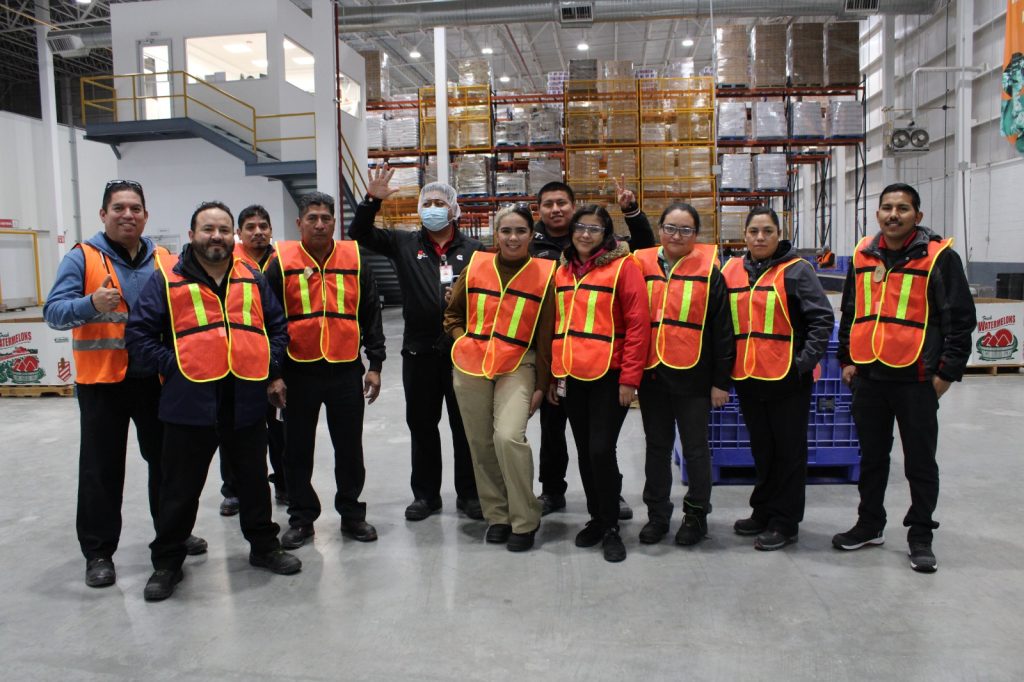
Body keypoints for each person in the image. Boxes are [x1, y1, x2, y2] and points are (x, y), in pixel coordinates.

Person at [126, 201, 300, 602]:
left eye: (224, 229)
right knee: (179, 488)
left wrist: (267, 361)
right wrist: (174, 365)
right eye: (208, 229)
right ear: (192, 236)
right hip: (189, 403)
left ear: (232, 236)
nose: (217, 236)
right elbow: (138, 334)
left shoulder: (251, 278)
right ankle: (167, 561)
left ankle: (263, 547)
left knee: (254, 482)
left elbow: (276, 327)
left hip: (244, 399)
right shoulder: (166, 280)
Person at [43, 179, 206, 589]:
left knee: (167, 465)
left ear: (146, 215)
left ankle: (173, 534)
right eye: (119, 208)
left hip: (156, 380)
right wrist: (90, 304)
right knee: (101, 470)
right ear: (103, 214)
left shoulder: (165, 259)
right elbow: (54, 313)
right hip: (103, 383)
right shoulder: (82, 258)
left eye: (135, 208)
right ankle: (98, 553)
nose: (128, 215)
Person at [832, 183, 976, 573]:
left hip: (917, 379)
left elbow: (960, 321)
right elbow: (850, 310)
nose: (893, 215)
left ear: (918, 216)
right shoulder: (864, 255)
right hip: (869, 377)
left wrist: (946, 373)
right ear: (877, 214)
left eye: (903, 208)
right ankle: (870, 524)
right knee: (872, 457)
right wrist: (847, 359)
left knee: (920, 462)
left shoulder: (939, 258)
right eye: (887, 208)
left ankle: (920, 535)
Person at [349, 167, 484, 522]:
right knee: (422, 426)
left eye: (441, 202)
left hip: (462, 353)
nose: (434, 208)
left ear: (454, 209)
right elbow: (359, 232)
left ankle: (469, 495)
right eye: (429, 203)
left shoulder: (475, 250)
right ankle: (425, 496)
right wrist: (372, 200)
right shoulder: (404, 243)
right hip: (419, 352)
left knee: (464, 426)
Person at [262, 192, 385, 548]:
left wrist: (374, 364)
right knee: (296, 449)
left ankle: (351, 514)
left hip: (345, 369)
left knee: (349, 447)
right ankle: (301, 518)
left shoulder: (354, 257)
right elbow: (267, 320)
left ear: (335, 223)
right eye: (312, 218)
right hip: (298, 372)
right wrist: (274, 373)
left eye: (325, 218)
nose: (319, 224)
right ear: (299, 223)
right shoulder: (279, 261)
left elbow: (370, 312)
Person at [531, 177, 654, 520]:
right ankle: (556, 492)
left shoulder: (619, 262)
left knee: (600, 447)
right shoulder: (537, 247)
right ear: (539, 210)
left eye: (562, 203)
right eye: (548, 204)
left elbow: (645, 247)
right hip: (563, 367)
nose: (555, 209)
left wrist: (632, 210)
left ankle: (609, 502)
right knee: (557, 436)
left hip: (606, 370)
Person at [721, 207, 834, 551]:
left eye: (767, 231)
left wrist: (801, 365)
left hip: (788, 381)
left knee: (789, 452)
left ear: (779, 234)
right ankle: (763, 511)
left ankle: (785, 522)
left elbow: (821, 320)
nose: (759, 237)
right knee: (763, 449)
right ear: (744, 235)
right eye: (754, 231)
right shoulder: (731, 270)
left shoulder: (798, 271)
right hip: (749, 377)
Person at [445, 205, 556, 552]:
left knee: (508, 437)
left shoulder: (546, 273)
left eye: (520, 231)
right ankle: (498, 516)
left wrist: (542, 384)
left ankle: (525, 519)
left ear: (530, 235)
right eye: (506, 231)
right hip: (471, 365)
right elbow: (452, 312)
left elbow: (547, 333)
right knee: (480, 443)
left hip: (519, 362)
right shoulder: (477, 264)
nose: (512, 238)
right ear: (497, 234)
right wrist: (462, 337)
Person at [548, 205, 651, 562]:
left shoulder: (624, 268)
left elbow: (639, 327)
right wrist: (556, 375)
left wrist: (629, 379)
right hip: (572, 376)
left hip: (610, 376)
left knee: (600, 450)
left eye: (594, 229)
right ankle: (596, 516)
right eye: (580, 227)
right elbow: (559, 325)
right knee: (585, 452)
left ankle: (610, 526)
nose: (585, 234)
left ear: (606, 234)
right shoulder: (562, 271)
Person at [634, 203, 734, 546]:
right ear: (660, 229)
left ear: (697, 235)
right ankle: (658, 515)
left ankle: (695, 515)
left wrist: (722, 382)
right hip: (652, 375)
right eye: (671, 228)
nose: (677, 236)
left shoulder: (711, 272)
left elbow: (723, 330)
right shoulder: (640, 265)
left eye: (686, 230)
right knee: (657, 448)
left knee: (695, 449)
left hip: (695, 377)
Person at [218, 204, 287, 517]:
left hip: (276, 357)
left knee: (280, 429)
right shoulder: (228, 263)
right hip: (237, 361)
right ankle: (233, 489)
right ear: (240, 233)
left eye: (263, 225)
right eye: (251, 227)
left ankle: (284, 482)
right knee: (235, 429)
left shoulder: (284, 260)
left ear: (271, 230)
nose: (258, 231)